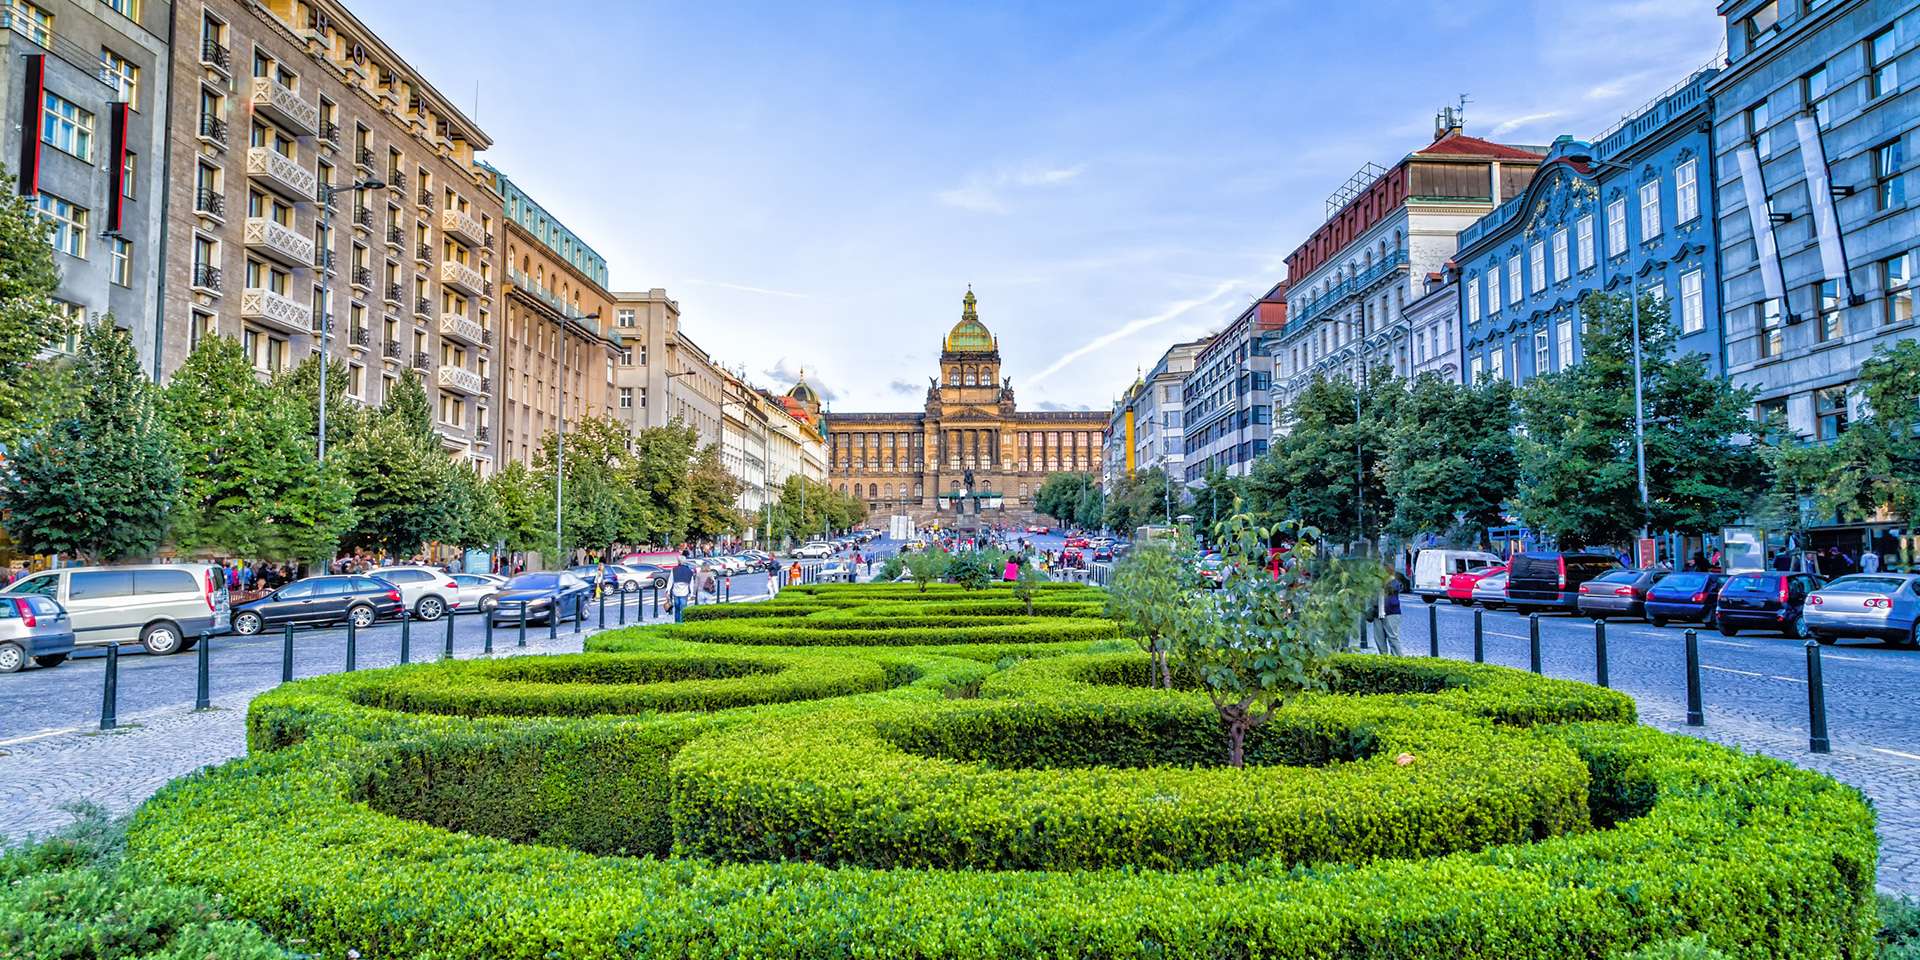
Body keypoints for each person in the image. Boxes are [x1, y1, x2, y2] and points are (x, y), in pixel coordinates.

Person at [1373, 568, 1405, 656]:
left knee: (1393, 638)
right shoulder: (1373, 582)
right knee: (1379, 640)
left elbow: (1394, 588)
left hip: (1391, 613)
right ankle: (1384, 659)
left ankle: (1398, 659)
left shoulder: (1394, 581)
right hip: (1377, 613)